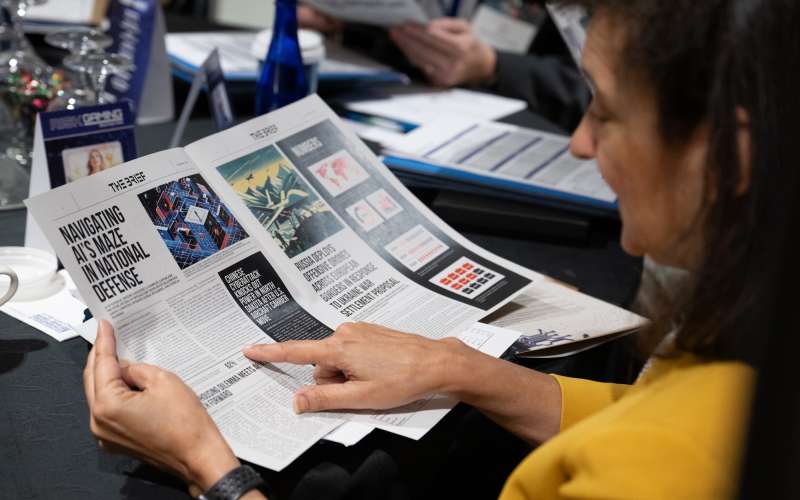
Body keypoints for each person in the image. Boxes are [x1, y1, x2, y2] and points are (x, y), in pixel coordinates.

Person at [82, 0, 796, 497]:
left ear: (729, 155)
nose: (580, 141)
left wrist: (211, 469)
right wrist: (461, 368)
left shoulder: (664, 466)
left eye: (605, 112)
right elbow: (644, 412)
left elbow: (654, 445)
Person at [299, 1, 589, 130]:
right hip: (386, 109)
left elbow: (593, 92)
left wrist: (492, 66)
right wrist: (338, 23)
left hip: (510, 134)